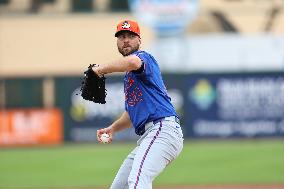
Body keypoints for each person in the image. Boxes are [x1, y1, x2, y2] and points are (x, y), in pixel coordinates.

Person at [94, 20, 184, 189]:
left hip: (162, 130)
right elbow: (130, 115)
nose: (126, 40)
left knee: (137, 181)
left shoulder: (144, 58)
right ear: (117, 42)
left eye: (130, 36)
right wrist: (112, 128)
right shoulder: (129, 76)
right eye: (121, 37)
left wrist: (100, 69)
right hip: (151, 135)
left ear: (139, 40)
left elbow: (133, 62)